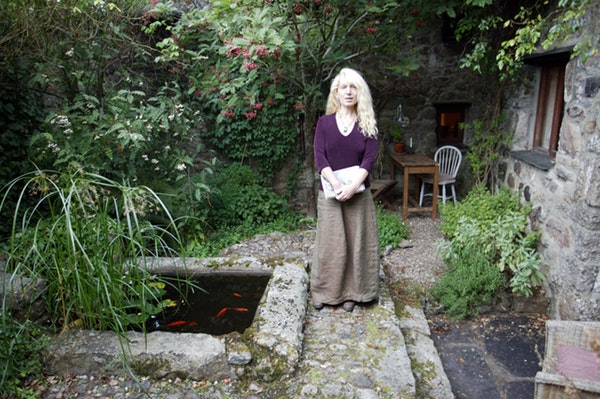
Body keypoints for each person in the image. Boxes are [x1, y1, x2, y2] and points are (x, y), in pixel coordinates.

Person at [312, 67, 379, 313]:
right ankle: (325, 292)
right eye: (343, 87)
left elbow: (369, 159)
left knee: (357, 243)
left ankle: (354, 293)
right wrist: (337, 185)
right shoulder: (324, 123)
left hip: (358, 194)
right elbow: (320, 156)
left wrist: (352, 187)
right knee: (330, 243)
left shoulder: (367, 124)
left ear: (359, 93)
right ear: (336, 93)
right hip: (330, 192)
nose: (348, 92)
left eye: (353, 87)